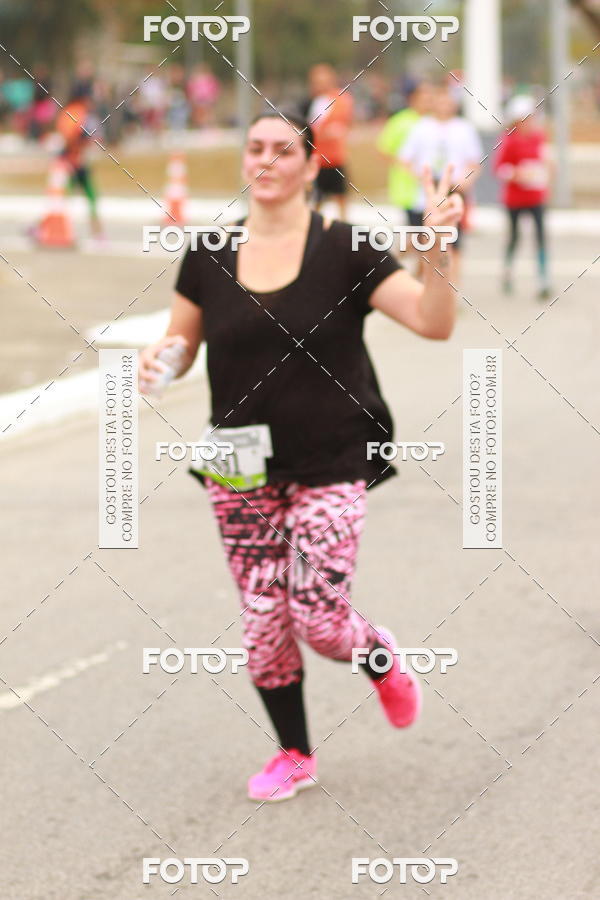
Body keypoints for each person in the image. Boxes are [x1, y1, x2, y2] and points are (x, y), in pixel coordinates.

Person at [138, 111, 463, 803]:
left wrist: (438, 246)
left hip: (330, 456)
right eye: (255, 146)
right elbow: (181, 344)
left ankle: (378, 654)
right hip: (237, 461)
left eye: (284, 149)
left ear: (312, 165)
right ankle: (293, 754)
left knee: (316, 615)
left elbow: (433, 322)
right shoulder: (209, 252)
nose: (267, 160)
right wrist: (156, 363)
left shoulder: (345, 249)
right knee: (263, 619)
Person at [400, 85, 483, 280]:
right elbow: (405, 160)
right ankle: (425, 285)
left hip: (454, 192)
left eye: (449, 102)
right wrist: (423, 178)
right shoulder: (421, 127)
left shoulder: (464, 128)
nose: (445, 106)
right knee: (425, 241)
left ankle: (452, 287)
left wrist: (465, 181)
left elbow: (474, 162)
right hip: (427, 195)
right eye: (441, 101)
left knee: (454, 243)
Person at [493, 95, 552, 300]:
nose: (530, 122)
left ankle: (543, 279)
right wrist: (516, 174)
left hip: (536, 196)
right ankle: (507, 272)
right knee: (515, 237)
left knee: (541, 236)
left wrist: (547, 169)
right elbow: (499, 168)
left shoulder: (538, 137)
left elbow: (543, 159)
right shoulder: (508, 140)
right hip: (515, 198)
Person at [377, 80, 435, 262]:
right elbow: (384, 150)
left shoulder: (434, 122)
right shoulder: (400, 121)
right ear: (413, 98)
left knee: (427, 236)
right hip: (408, 189)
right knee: (418, 235)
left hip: (431, 187)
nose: (428, 100)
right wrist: (406, 168)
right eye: (424, 97)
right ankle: (388, 262)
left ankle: (420, 277)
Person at [54, 80, 103, 239]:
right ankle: (97, 232)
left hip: (70, 160)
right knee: (88, 196)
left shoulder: (67, 112)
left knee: (63, 197)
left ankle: (97, 232)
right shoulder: (79, 112)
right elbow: (75, 135)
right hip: (73, 161)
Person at [307, 64, 354, 220]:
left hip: (335, 158)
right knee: (316, 200)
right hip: (317, 160)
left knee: (340, 198)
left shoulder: (340, 99)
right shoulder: (311, 102)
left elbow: (342, 125)